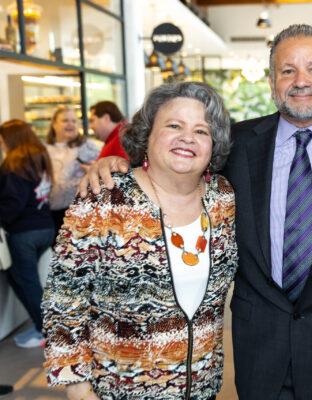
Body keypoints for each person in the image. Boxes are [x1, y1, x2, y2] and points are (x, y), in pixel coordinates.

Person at [79, 24, 312, 399]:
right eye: (287, 70)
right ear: (273, 82)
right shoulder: (235, 144)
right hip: (261, 357)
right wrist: (114, 163)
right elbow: (177, 166)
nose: (300, 81)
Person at [42, 81, 237, 400]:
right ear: (146, 134)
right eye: (174, 125)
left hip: (201, 389)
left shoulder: (222, 198)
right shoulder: (104, 198)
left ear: (213, 145)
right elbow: (63, 299)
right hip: (118, 390)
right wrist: (76, 387)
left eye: (201, 131)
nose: (187, 137)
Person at [0, 119, 54, 348]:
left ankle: (46, 331)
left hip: (24, 232)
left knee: (27, 282)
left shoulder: (15, 162)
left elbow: (13, 203)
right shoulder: (39, 155)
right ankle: (43, 327)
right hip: (45, 227)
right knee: (21, 279)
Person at [46, 107, 100, 236]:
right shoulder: (45, 149)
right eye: (65, 120)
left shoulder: (87, 146)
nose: (70, 124)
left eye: (74, 121)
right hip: (51, 211)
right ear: (54, 124)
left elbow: (99, 174)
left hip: (79, 210)